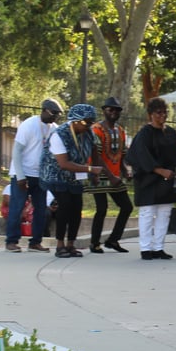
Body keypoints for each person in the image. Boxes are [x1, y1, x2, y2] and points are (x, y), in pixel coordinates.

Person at [40, 104, 117, 258]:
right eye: (86, 122)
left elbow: (95, 155)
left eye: (91, 122)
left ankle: (71, 245)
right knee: (65, 206)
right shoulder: (59, 135)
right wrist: (90, 170)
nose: (89, 125)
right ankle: (60, 245)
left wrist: (103, 175)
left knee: (76, 209)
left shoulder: (88, 132)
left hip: (76, 174)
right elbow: (64, 164)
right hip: (56, 174)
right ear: (75, 120)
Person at [126, 97, 176, 261]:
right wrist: (160, 171)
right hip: (148, 180)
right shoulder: (144, 134)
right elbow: (139, 156)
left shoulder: (171, 133)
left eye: (165, 112)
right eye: (158, 113)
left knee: (164, 214)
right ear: (150, 115)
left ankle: (158, 247)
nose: (163, 116)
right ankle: (145, 248)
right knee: (147, 214)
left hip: (166, 181)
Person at [5, 99, 62, 253]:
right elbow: (17, 151)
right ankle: (11, 241)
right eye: (54, 113)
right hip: (22, 173)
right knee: (17, 208)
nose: (55, 117)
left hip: (40, 175)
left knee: (41, 210)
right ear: (44, 110)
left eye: (58, 115)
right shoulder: (28, 125)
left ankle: (35, 242)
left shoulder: (54, 129)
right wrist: (20, 176)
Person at [88, 97, 133, 254]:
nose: (114, 112)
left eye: (117, 110)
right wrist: (110, 176)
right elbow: (97, 156)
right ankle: (94, 243)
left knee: (127, 207)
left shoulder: (120, 131)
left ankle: (113, 240)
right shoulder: (96, 129)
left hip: (115, 175)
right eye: (110, 109)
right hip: (99, 175)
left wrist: (125, 170)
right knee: (102, 209)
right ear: (104, 111)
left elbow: (122, 153)